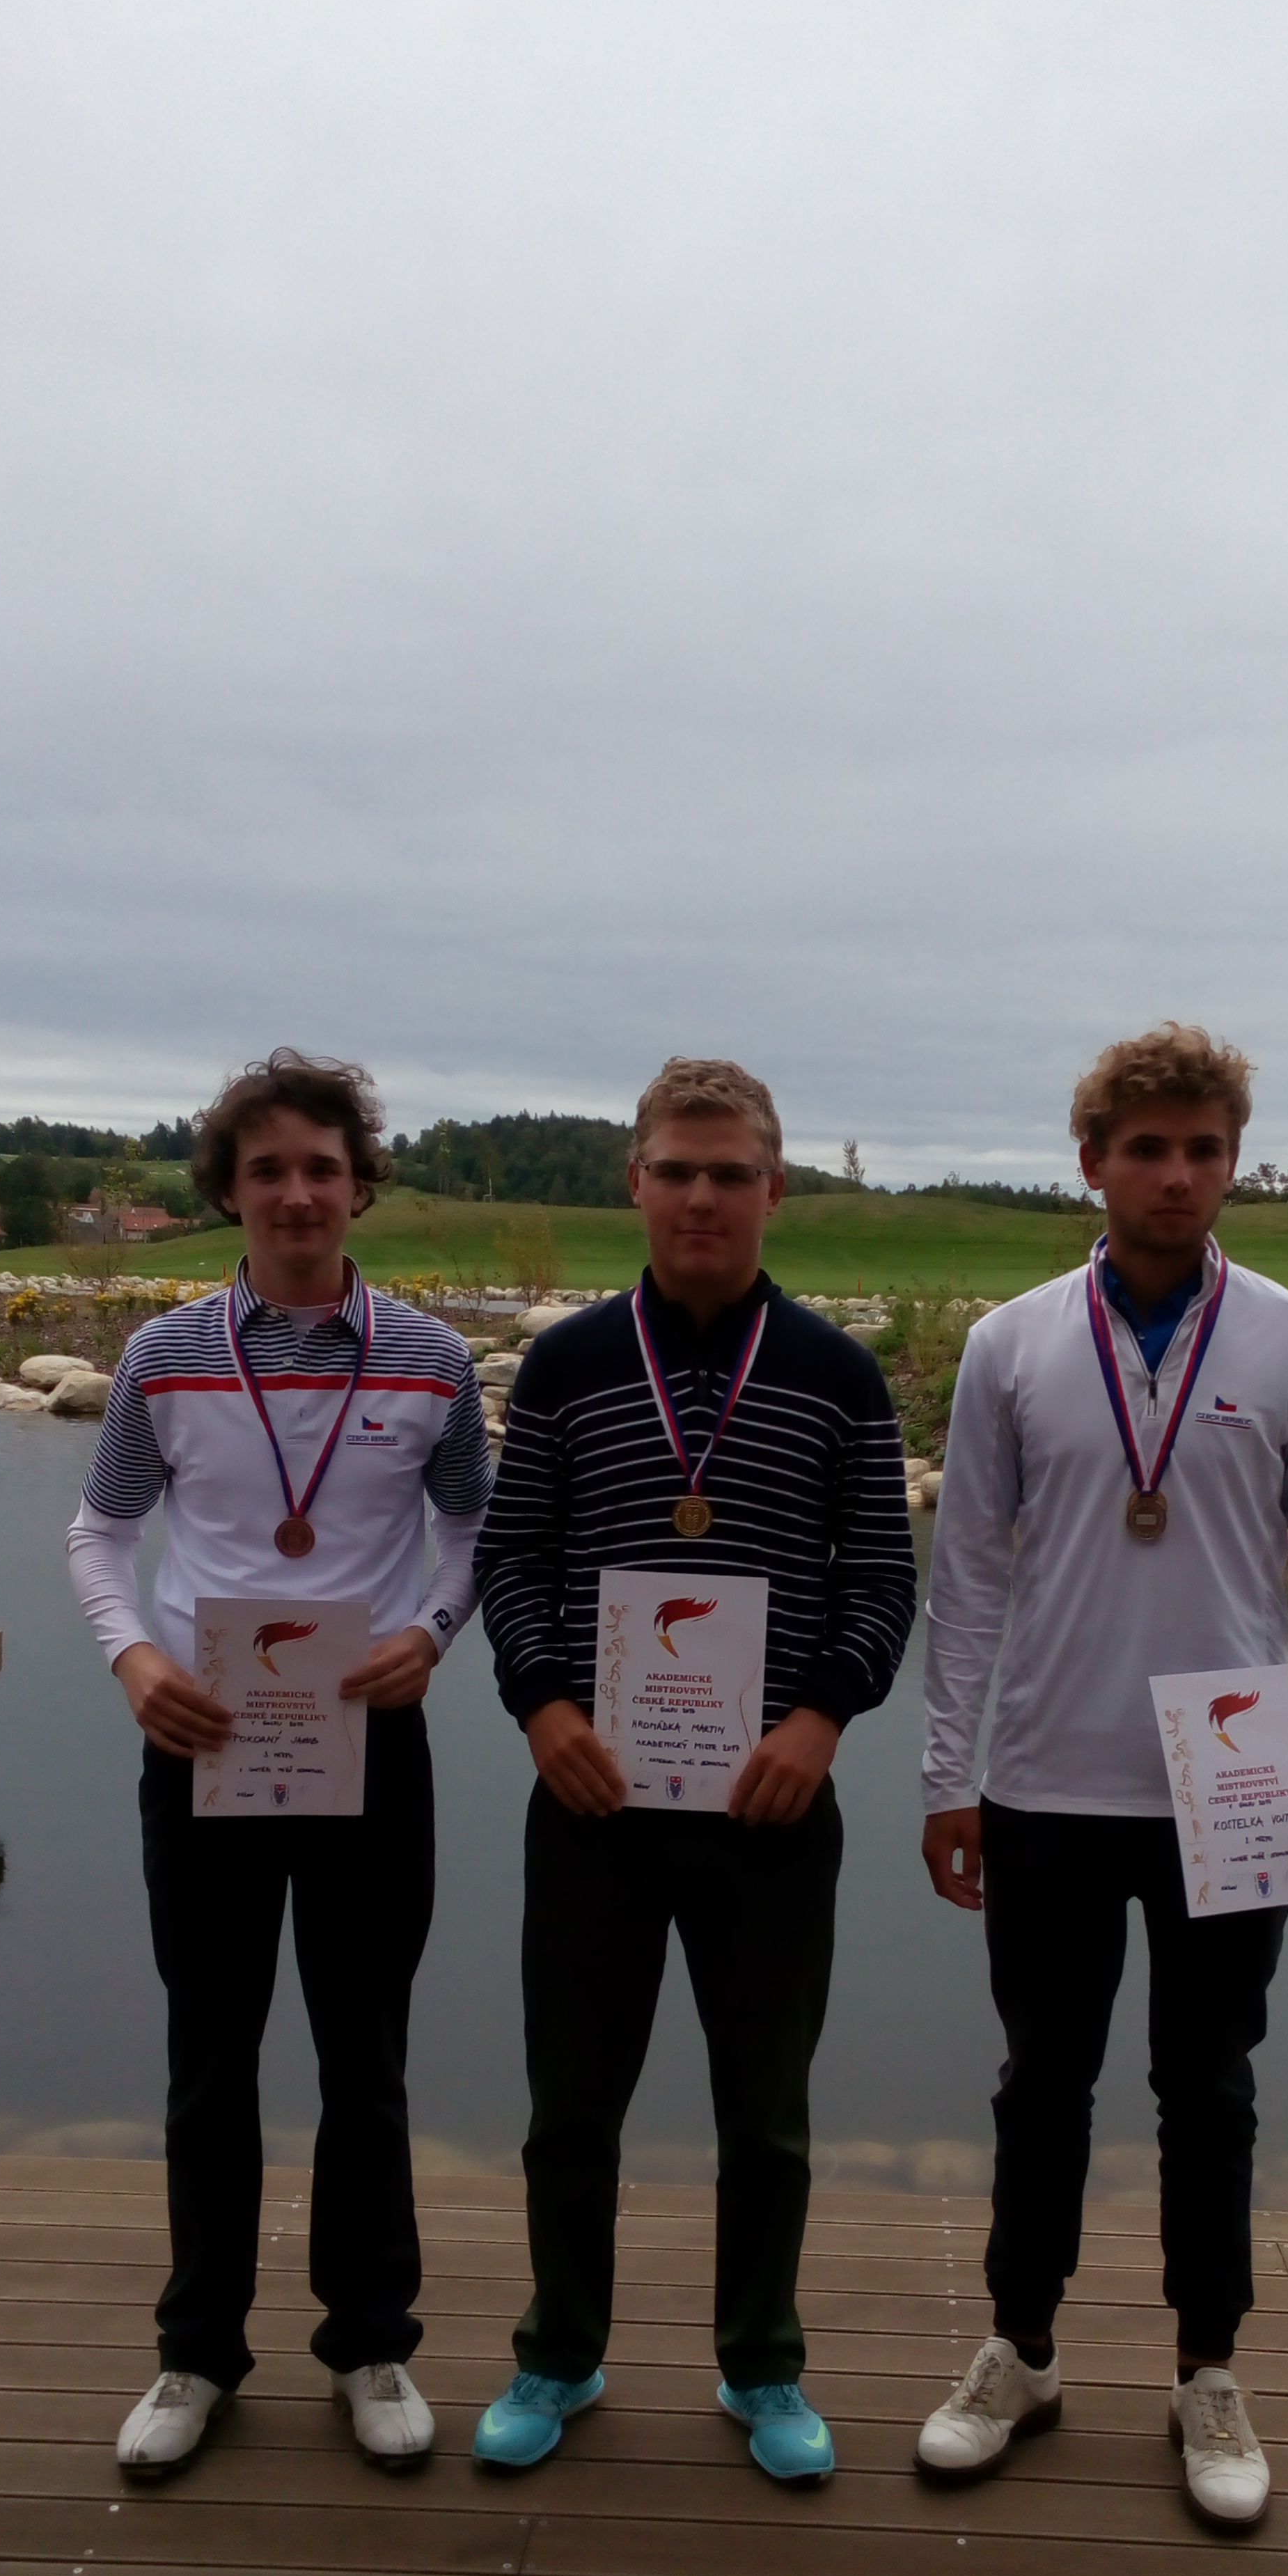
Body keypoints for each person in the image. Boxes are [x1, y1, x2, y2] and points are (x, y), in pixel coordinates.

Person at [915, 1022, 1288, 2524]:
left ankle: (1205, 2374)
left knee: (1210, 2087)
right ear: (1092, 1163)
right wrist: (945, 1773)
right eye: (1146, 1149)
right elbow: (967, 1578)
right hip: (1048, 1778)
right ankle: (1023, 2350)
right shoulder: (1011, 1345)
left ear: (1234, 1163)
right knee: (1040, 2083)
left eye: (1203, 1150)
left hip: (1236, 1786)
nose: (1176, 1175)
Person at [469, 1056, 916, 2483]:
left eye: (730, 1173)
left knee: (765, 2117)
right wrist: (541, 1707)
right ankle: (559, 2353)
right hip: (591, 1798)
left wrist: (821, 1719)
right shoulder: (568, 1364)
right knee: (570, 2109)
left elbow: (882, 1581)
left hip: (768, 1806)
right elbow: (510, 1559)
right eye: (676, 1170)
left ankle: (761, 2365)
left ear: (774, 1189)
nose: (702, 1197)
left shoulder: (837, 1374)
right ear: (636, 1184)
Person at [66, 1049, 492, 2476]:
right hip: (204, 1740)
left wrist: (431, 1633)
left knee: (365, 2060)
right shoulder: (165, 1356)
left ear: (360, 1185)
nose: (297, 1193)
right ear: (228, 1193)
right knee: (210, 2055)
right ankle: (197, 2352)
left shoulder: (429, 1359)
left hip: (371, 1739)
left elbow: (473, 1531)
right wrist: (136, 1660)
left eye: (322, 1167)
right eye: (268, 1170)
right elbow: (100, 1533)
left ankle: (369, 2342)